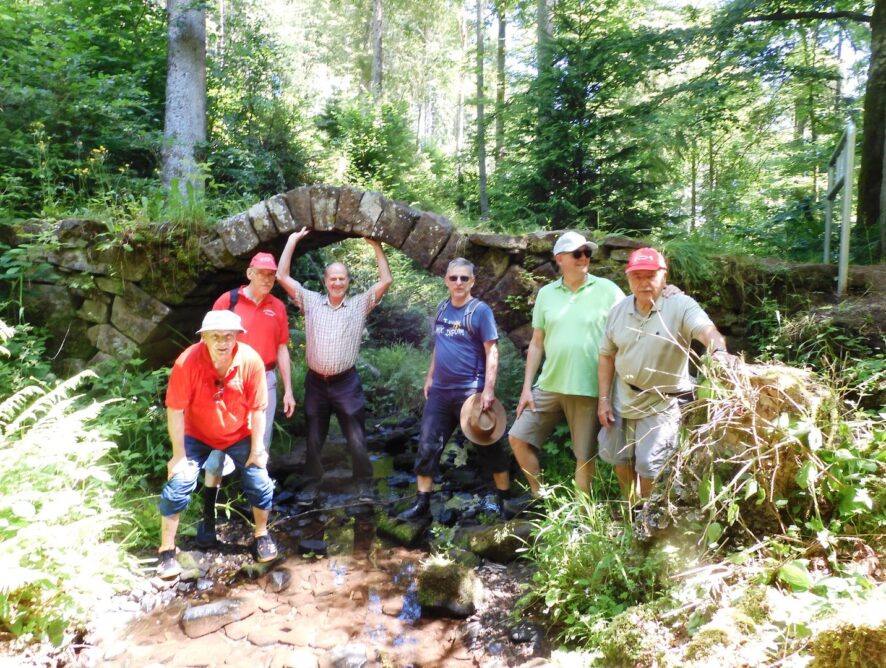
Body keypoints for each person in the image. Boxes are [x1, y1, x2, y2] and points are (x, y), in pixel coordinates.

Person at [506, 231, 625, 515]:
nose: (584, 258)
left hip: (588, 387)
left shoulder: (608, 290)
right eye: (577, 253)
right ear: (559, 259)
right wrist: (526, 388)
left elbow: (634, 314)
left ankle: (582, 517)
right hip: (549, 384)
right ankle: (541, 497)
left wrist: (666, 292)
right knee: (517, 437)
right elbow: (537, 343)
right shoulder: (546, 294)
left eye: (587, 253)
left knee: (584, 456)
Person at [597, 247, 729, 499]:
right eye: (637, 276)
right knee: (619, 458)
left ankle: (648, 512)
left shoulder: (680, 305)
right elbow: (606, 355)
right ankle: (631, 508)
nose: (644, 283)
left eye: (651, 276)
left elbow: (706, 330)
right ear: (628, 278)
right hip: (622, 397)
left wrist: (719, 351)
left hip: (663, 402)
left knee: (650, 465)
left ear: (664, 277)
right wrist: (603, 399)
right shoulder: (618, 311)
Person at [156, 310, 277, 579]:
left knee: (259, 480)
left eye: (229, 336)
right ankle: (166, 550)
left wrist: (257, 449)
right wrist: (178, 455)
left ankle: (261, 534)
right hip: (196, 433)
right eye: (215, 337)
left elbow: (258, 408)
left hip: (238, 433)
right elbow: (175, 409)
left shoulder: (251, 361)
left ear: (237, 337)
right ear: (204, 338)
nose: (223, 342)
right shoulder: (187, 362)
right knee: (178, 484)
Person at [396, 258, 511, 520]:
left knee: (489, 445)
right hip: (440, 392)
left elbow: (492, 352)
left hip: (471, 393)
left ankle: (505, 501)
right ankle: (422, 504)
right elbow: (439, 345)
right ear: (446, 280)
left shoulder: (480, 311)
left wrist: (489, 390)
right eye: (453, 278)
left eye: (464, 278)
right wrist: (429, 377)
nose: (458, 282)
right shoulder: (442, 308)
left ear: (472, 281)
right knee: (427, 445)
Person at [276, 229, 393, 484]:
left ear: (348, 281)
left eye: (342, 278)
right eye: (333, 278)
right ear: (325, 281)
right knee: (314, 434)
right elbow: (281, 276)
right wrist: (292, 241)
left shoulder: (359, 304)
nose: (337, 283)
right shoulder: (311, 301)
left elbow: (385, 280)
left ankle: (363, 482)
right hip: (316, 382)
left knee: (355, 435)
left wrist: (376, 247)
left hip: (346, 382)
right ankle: (312, 481)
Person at [196, 252, 296, 549]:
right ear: (250, 273)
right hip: (226, 382)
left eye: (271, 274)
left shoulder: (277, 307)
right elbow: (205, 343)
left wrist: (289, 389)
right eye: (262, 273)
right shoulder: (228, 301)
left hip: (264, 380)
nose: (267, 279)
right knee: (216, 451)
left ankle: (260, 530)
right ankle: (207, 518)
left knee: (259, 450)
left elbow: (282, 349)